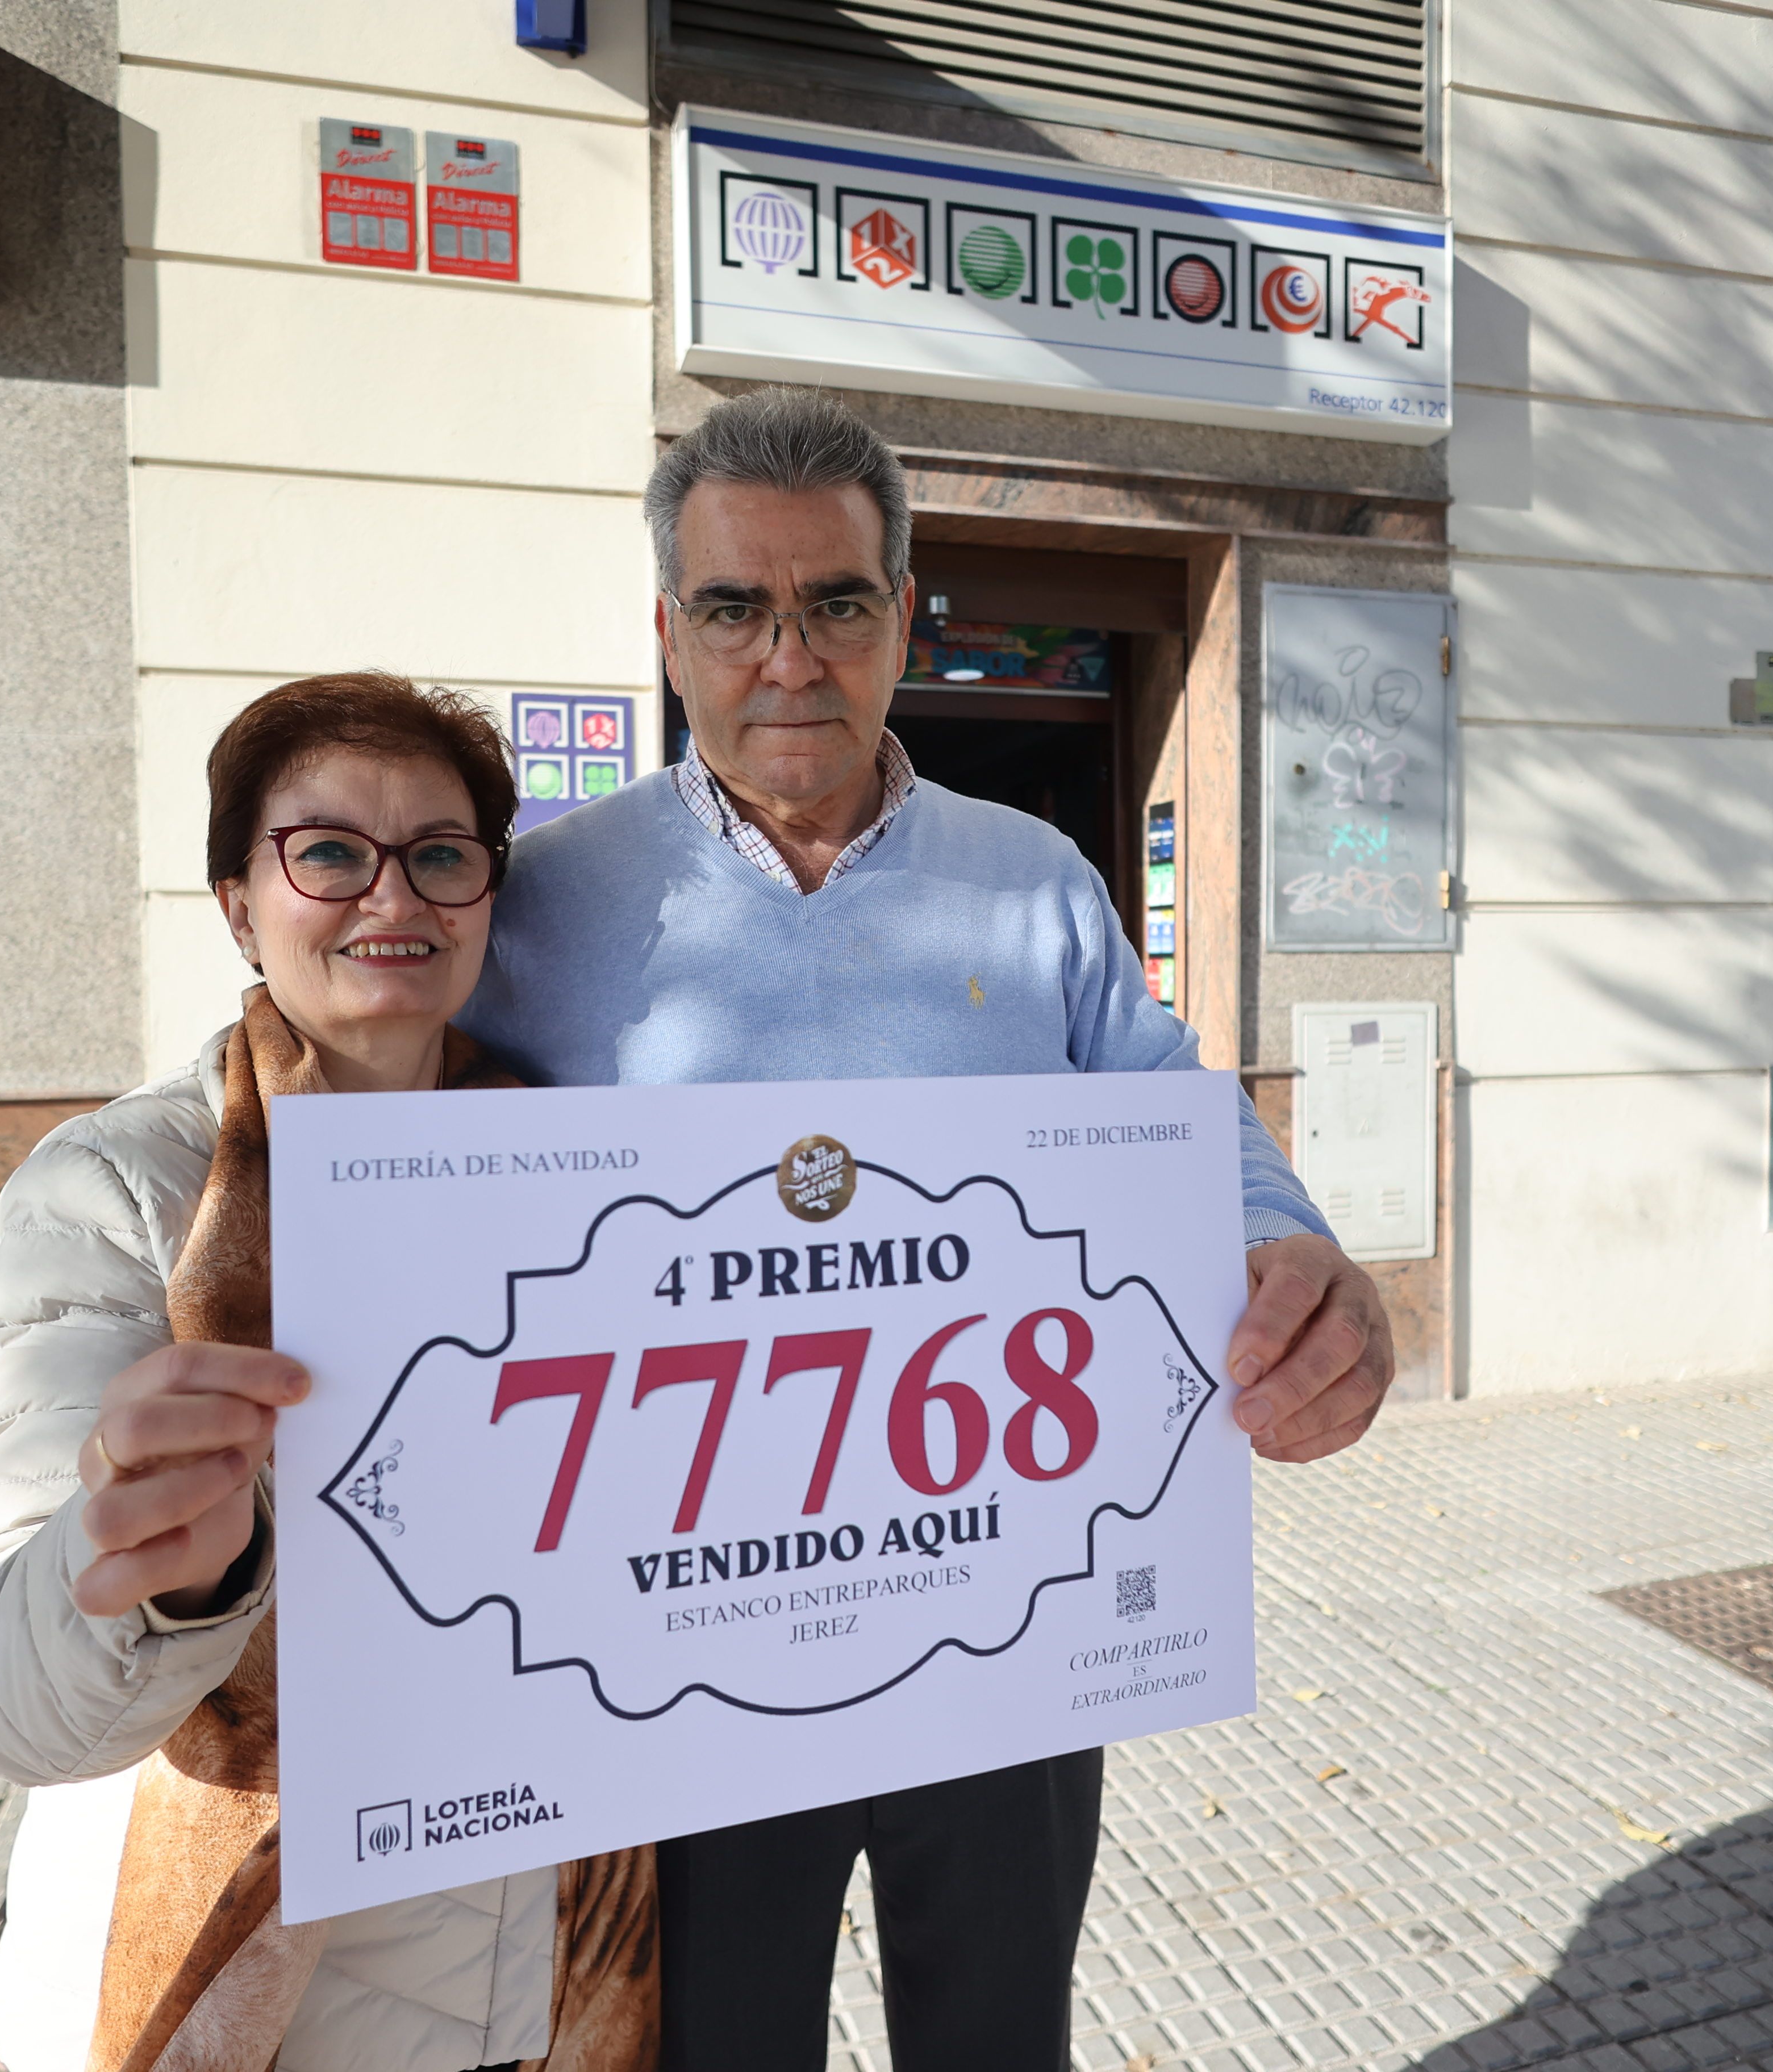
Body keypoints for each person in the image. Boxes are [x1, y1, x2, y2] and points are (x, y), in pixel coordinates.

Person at [458, 387, 1396, 2072]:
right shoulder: (542, 905)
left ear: (907, 617)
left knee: (999, 2038)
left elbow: (1172, 1110)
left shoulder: (1035, 881)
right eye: (737, 608)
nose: (788, 656)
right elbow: (369, 1110)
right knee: (725, 2047)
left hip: (1006, 1612)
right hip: (690, 1653)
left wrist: (1297, 1254)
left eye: (837, 602)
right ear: (670, 634)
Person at [0, 675, 656, 2072]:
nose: (395, 898)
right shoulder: (123, 1188)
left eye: (443, 855)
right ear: (240, 905)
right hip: (247, 1990)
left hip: (533, 1968)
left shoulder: (590, 1179)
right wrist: (146, 1562)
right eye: (327, 853)